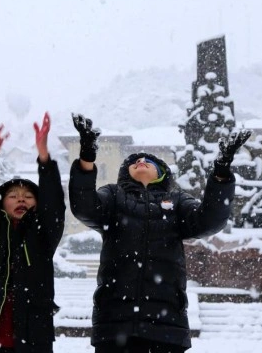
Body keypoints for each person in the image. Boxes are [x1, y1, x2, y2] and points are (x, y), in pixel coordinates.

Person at [69, 113, 251, 353]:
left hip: (167, 324)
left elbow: (209, 221)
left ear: (163, 173)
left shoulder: (176, 200)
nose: (141, 160)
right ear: (125, 173)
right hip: (115, 320)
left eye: (148, 161)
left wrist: (222, 170)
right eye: (135, 161)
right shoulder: (114, 195)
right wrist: (86, 157)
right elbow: (84, 207)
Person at [0, 112, 65, 353]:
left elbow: (54, 205)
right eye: (13, 196)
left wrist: (44, 157)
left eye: (28, 196)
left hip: (33, 339)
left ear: (37, 205)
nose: (21, 199)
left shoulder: (44, 235)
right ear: (1, 204)